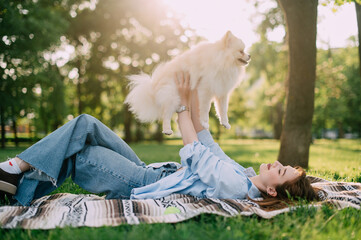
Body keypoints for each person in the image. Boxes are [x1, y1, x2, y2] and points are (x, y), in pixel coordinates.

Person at [0, 72, 319, 209]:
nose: (277, 163)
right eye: (284, 165)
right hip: (148, 170)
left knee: (80, 155)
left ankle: (13, 177)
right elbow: (205, 138)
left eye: (280, 170)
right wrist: (193, 89)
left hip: (139, 183)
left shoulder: (234, 186)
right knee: (86, 124)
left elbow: (194, 151)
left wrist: (179, 105)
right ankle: (15, 179)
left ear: (273, 189)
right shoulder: (243, 173)